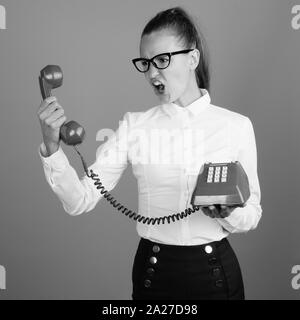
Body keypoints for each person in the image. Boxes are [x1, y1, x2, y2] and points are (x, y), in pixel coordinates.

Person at [37, 7, 262, 300]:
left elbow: (252, 213)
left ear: (192, 58)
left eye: (162, 60)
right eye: (146, 62)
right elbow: (79, 200)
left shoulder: (236, 126)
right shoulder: (135, 125)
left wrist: (230, 214)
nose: (152, 72)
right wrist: (52, 147)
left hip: (215, 274)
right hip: (154, 275)